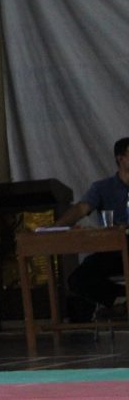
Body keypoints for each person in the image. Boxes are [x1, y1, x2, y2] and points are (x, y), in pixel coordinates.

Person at [53, 137, 129, 319]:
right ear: (120, 158)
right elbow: (81, 208)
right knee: (78, 279)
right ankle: (122, 300)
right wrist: (55, 227)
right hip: (113, 251)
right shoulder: (103, 187)